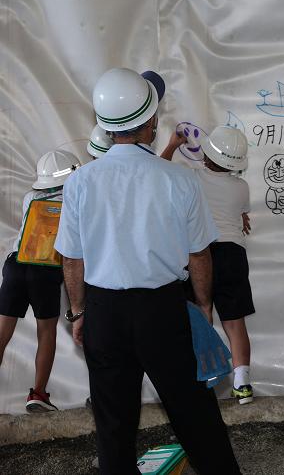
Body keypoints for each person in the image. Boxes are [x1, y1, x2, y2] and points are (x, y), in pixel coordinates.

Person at [55, 68, 240, 474]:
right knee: (195, 415)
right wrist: (204, 308)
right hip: (163, 310)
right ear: (152, 122)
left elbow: (72, 259)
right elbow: (200, 255)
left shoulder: (80, 183)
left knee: (114, 426)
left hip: (104, 310)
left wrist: (80, 312)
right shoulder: (179, 180)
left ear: (104, 125)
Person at [163, 125, 256, 404]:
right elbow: (239, 215)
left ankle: (206, 382)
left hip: (200, 252)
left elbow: (158, 169)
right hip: (234, 255)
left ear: (207, 153)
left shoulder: (191, 178)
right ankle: (243, 385)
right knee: (235, 323)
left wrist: (172, 144)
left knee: (202, 317)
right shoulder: (242, 187)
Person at [0, 150, 80, 412]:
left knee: (2, 331)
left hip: (15, 264)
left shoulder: (30, 197)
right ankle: (38, 394)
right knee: (46, 332)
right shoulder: (76, 200)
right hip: (45, 270)